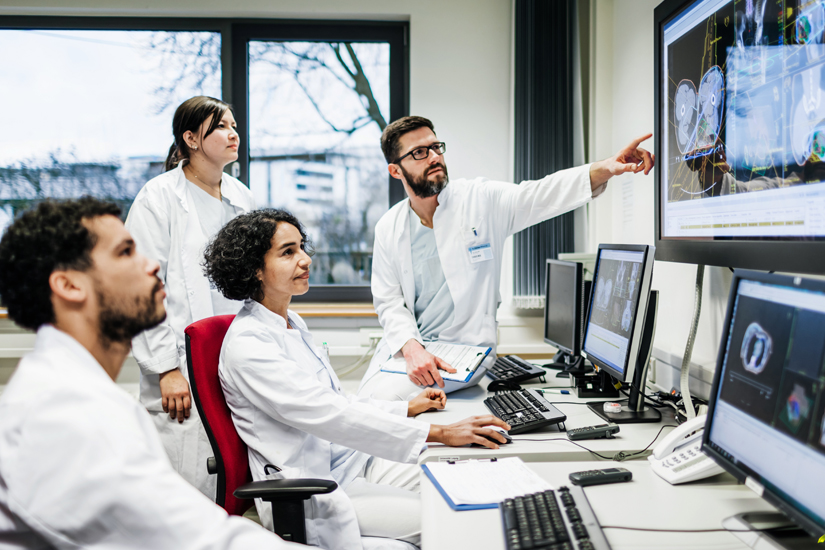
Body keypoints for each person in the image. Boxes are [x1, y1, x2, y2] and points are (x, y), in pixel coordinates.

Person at [0, 198, 299, 549]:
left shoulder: (74, 391)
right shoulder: (63, 411)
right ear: (69, 286)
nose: (153, 265)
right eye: (126, 252)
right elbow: (203, 539)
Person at [203, 209, 510, 550]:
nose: (305, 259)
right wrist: (438, 432)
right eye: (288, 252)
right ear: (255, 269)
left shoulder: (291, 323)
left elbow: (336, 399)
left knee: (463, 477)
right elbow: (328, 414)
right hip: (313, 489)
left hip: (349, 461)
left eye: (302, 247)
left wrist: (407, 409)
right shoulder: (249, 345)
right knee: (448, 518)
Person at [358, 116, 655, 400]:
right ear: (396, 171)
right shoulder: (389, 227)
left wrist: (606, 168)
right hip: (412, 348)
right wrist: (411, 348)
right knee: (363, 399)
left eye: (436, 147)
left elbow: (541, 195)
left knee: (381, 401)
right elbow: (389, 300)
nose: (434, 157)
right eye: (419, 152)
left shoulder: (480, 200)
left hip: (465, 351)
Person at [125, 96, 255, 499]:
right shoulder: (158, 197)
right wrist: (166, 369)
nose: (233, 133)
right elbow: (139, 287)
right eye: (221, 127)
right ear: (191, 139)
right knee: (187, 483)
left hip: (236, 358)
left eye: (234, 125)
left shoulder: (241, 197)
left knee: (236, 479)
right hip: (180, 365)